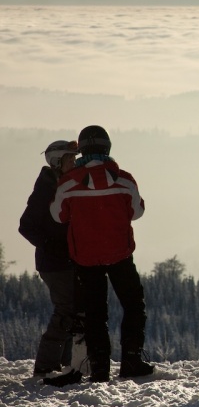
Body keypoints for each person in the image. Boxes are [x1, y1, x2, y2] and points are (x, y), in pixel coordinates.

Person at [50, 125, 153, 381]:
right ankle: (131, 360)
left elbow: (58, 215)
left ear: (82, 150)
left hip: (85, 258)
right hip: (120, 254)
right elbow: (137, 212)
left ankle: (99, 368)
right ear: (107, 147)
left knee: (95, 313)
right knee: (133, 305)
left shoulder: (68, 183)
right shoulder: (125, 180)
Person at [19, 140, 80, 377]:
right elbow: (26, 225)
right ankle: (46, 365)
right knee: (66, 311)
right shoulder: (47, 187)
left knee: (72, 310)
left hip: (66, 259)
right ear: (56, 161)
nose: (74, 163)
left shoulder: (63, 183)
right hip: (54, 263)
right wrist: (50, 245)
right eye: (70, 159)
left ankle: (64, 363)